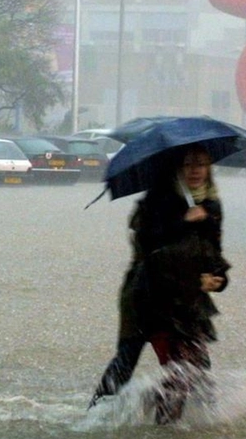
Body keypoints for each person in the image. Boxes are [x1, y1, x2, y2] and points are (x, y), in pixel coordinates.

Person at [89, 144, 231, 424]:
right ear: (178, 167)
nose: (195, 170)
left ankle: (189, 422)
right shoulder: (157, 199)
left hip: (188, 297)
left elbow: (214, 253)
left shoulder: (212, 206)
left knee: (196, 367)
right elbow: (148, 242)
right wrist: (182, 220)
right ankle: (95, 417)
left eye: (201, 164)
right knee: (127, 358)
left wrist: (218, 279)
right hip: (147, 293)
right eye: (189, 164)